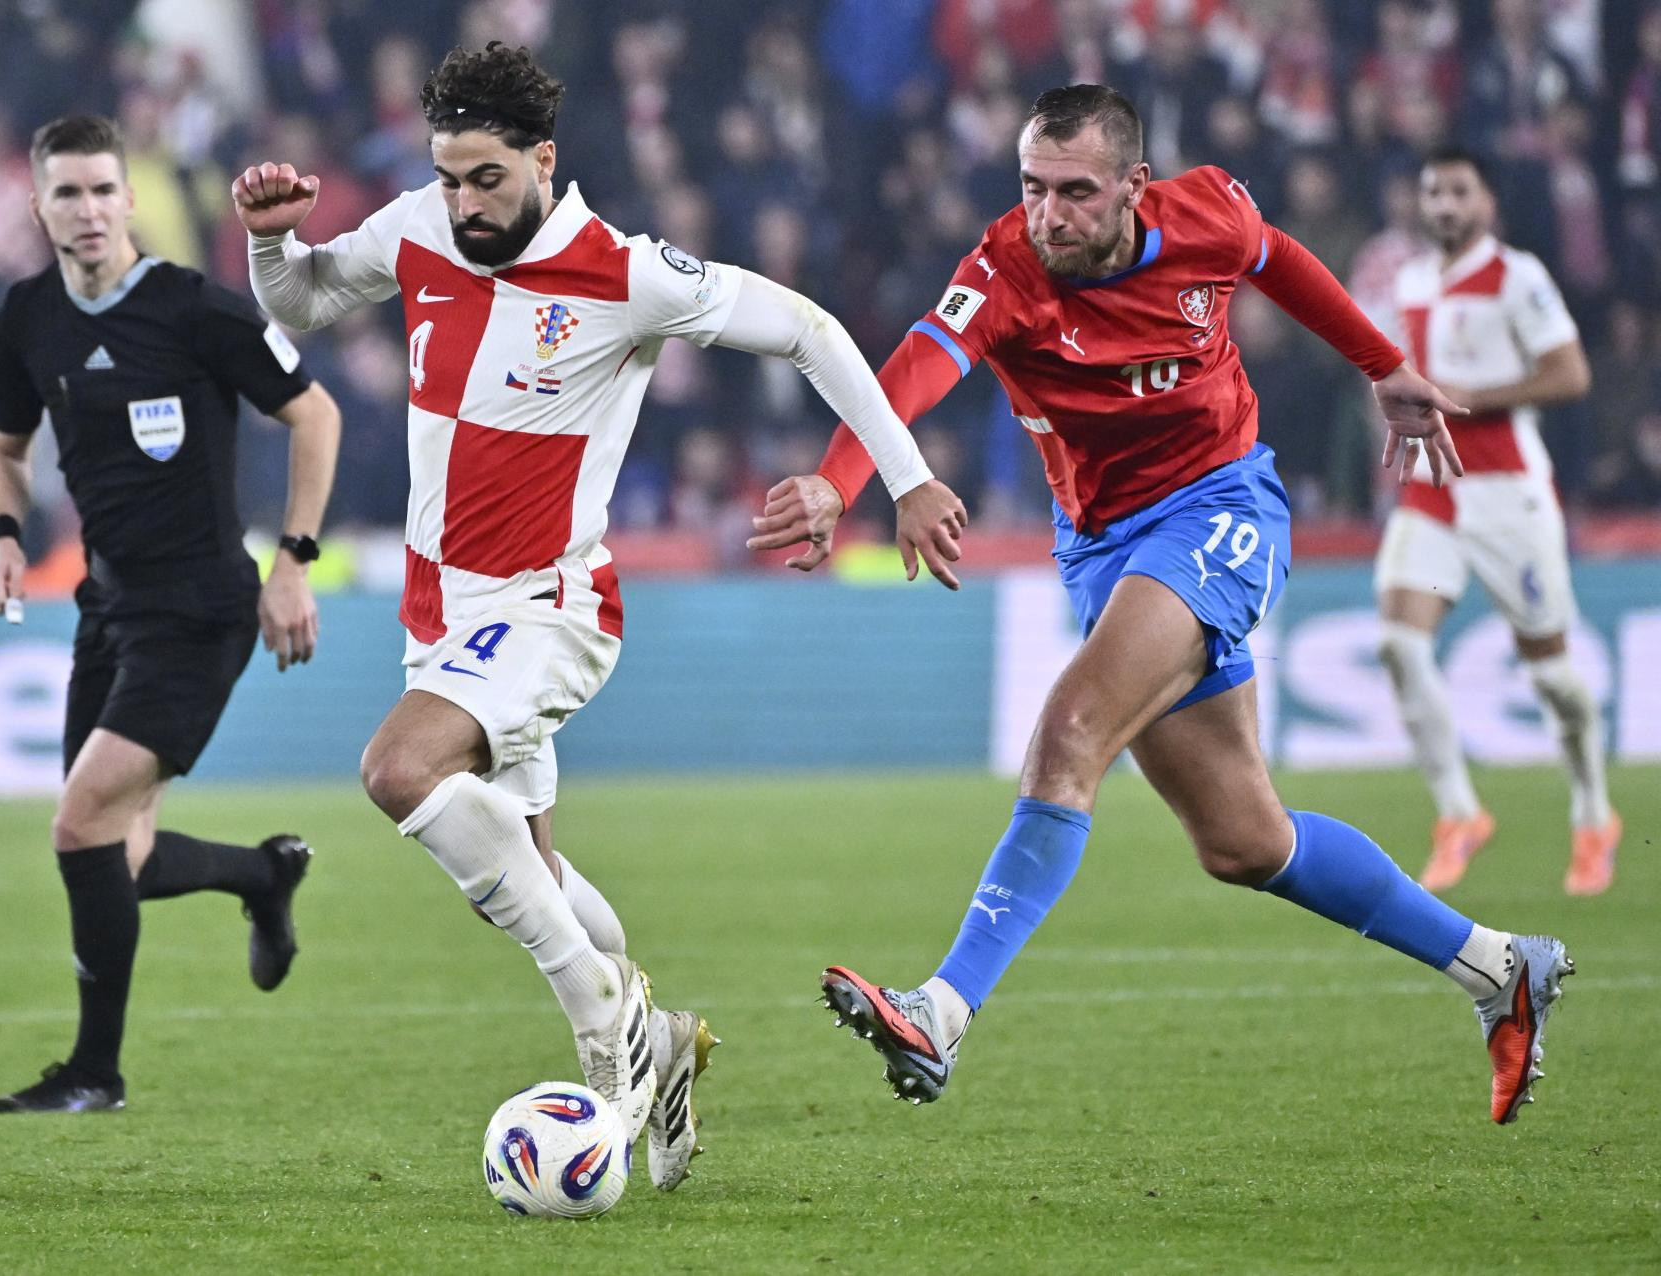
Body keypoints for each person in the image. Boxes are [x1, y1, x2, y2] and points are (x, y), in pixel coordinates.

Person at [751, 85, 1572, 1125]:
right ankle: (1500, 967)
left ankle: (941, 1012)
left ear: (1136, 186)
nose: (1048, 215)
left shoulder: (1205, 214)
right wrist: (844, 480)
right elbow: (914, 367)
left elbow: (1277, 257)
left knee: (1071, 730)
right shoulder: (1005, 269)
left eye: (1076, 193)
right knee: (1245, 841)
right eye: (1032, 188)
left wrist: (1384, 366)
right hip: (1101, 546)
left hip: (1221, 510)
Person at [232, 43, 966, 1187]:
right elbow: (305, 299)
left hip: (550, 606)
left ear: (543, 159)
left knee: (399, 769)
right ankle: (660, 1040)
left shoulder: (626, 273)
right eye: (449, 177)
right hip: (441, 614)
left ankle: (602, 1018)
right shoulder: (420, 225)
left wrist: (903, 479)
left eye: (486, 178)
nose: (464, 203)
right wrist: (271, 241)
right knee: (523, 881)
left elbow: (811, 329)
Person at [0, 115, 344, 1114]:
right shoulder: (25, 322)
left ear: (130, 199)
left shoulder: (193, 309)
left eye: (104, 189)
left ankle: (95, 1073)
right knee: (115, 857)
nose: (89, 210)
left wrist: (294, 562)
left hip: (202, 611)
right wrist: (2, 533)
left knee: (79, 826)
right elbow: (5, 451)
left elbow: (315, 414)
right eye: (68, 193)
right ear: (39, 206)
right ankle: (262, 875)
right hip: (109, 610)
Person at [1376, 147, 1616, 897]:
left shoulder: (1519, 277)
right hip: (1434, 489)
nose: (1444, 205)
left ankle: (1593, 814)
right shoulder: (1411, 279)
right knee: (1398, 643)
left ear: (1487, 203)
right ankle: (1459, 813)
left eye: (1459, 192)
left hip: (1508, 493)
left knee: (1552, 676)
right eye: (1433, 192)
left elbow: (1571, 374)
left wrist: (1471, 394)